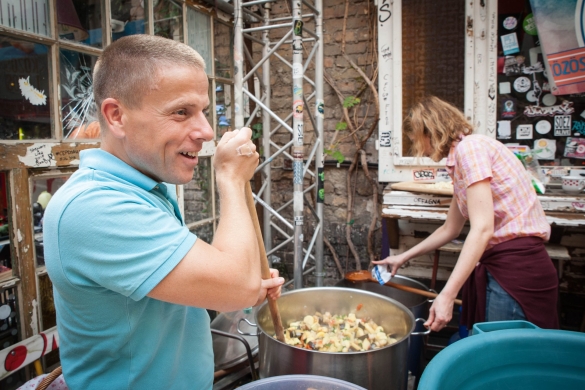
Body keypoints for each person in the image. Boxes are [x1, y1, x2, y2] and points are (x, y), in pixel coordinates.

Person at [44, 34, 284, 390]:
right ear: (117, 116)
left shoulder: (144, 186)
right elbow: (237, 289)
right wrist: (231, 178)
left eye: (203, 110)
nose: (205, 131)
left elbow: (221, 285)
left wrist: (241, 280)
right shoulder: (94, 207)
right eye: (181, 112)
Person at [373, 96, 558, 332]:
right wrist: (402, 257)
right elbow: (450, 228)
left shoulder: (471, 149)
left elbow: (482, 229)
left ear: (430, 131)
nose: (419, 149)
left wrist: (447, 295)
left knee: (503, 360)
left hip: (516, 271)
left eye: (416, 140)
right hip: (504, 266)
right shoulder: (463, 157)